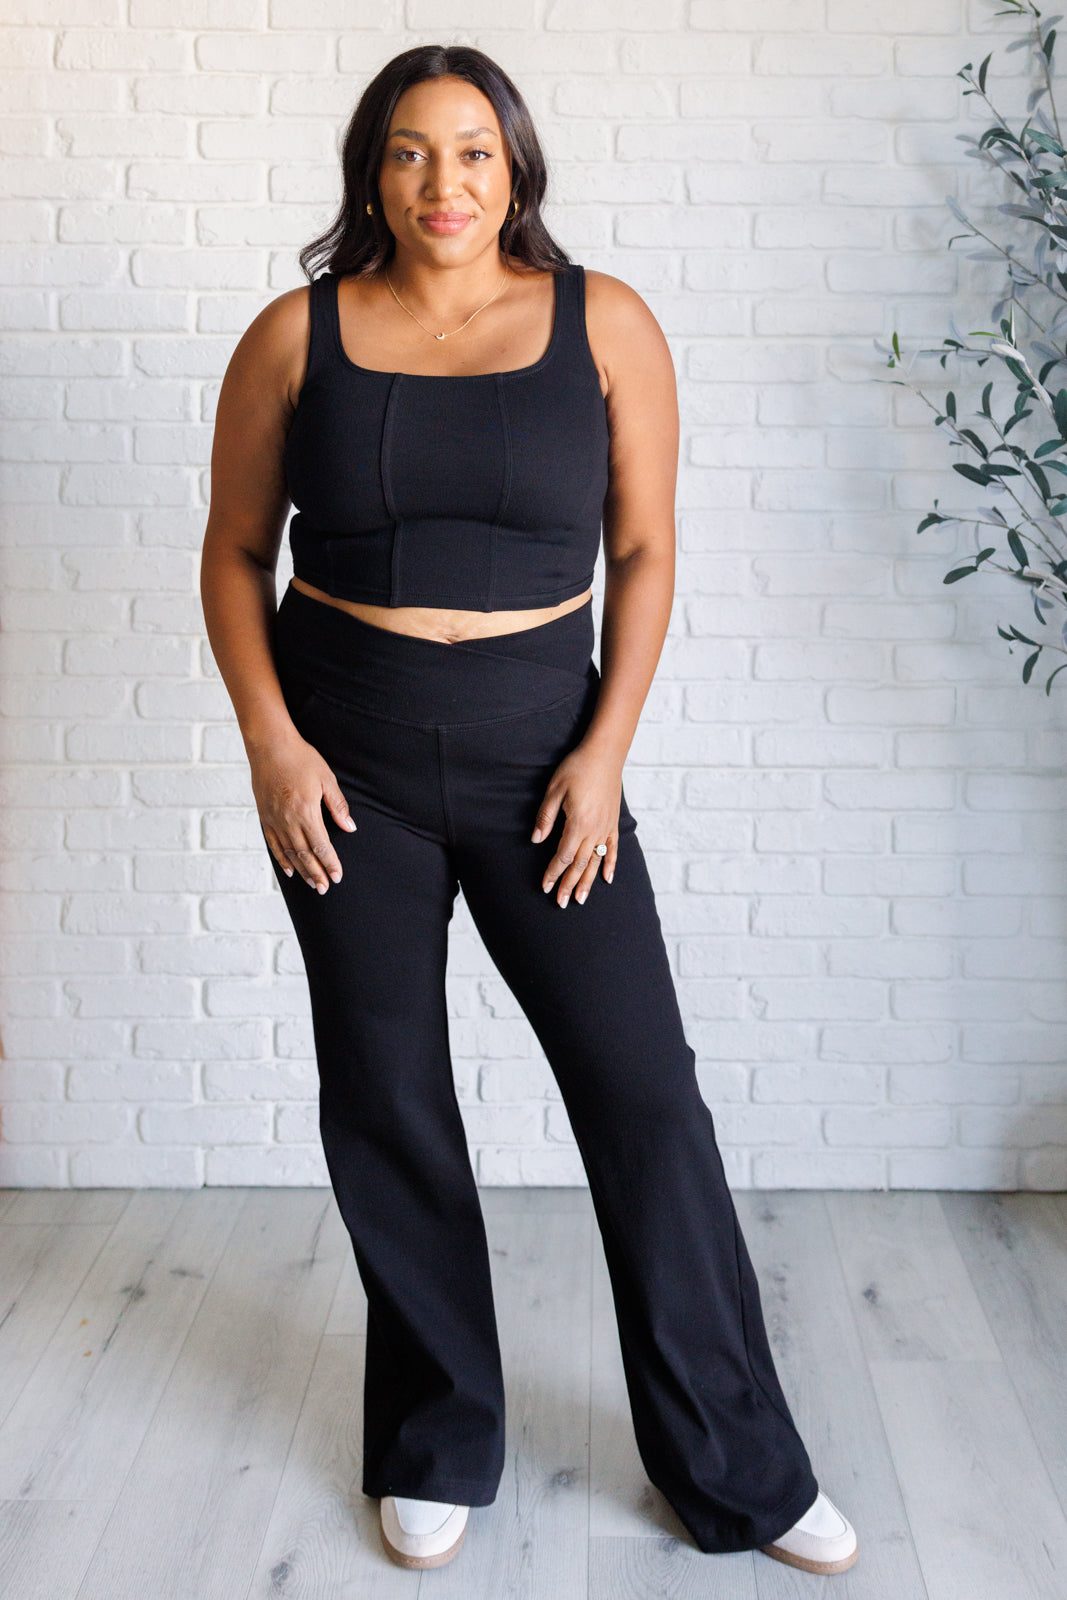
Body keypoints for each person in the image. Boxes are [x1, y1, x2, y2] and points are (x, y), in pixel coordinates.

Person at [199, 42, 858, 1579]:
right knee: (388, 1097)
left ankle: (738, 1467)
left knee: (645, 1099)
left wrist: (606, 751)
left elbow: (647, 550)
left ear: (516, 170)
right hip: (344, 768)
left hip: (543, 761)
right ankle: (434, 1440)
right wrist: (272, 747)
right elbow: (233, 552)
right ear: (373, 172)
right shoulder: (294, 336)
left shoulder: (604, 323)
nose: (445, 182)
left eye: (474, 152)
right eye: (413, 151)